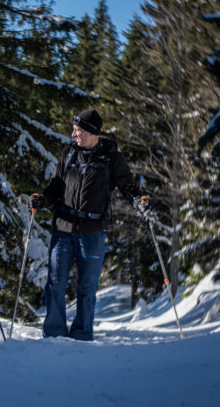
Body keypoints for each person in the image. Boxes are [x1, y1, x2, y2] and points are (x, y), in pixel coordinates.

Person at [30, 109, 145, 341]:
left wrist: (140, 202)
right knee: (55, 282)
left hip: (92, 231)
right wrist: (43, 199)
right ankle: (53, 334)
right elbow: (55, 185)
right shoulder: (68, 153)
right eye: (74, 129)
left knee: (87, 287)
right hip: (63, 227)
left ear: (92, 132)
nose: (74, 134)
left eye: (78, 130)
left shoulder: (112, 157)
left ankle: (82, 334)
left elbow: (127, 185)